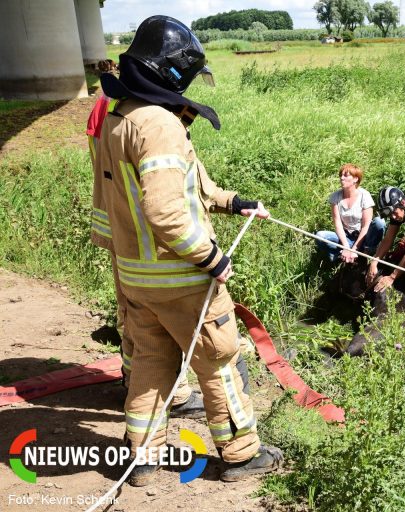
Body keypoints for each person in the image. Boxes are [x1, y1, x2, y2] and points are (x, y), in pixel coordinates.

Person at [95, 15, 282, 486]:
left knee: (152, 368)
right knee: (218, 365)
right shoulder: (160, 125)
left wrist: (231, 203)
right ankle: (241, 456)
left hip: (137, 280)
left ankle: (142, 459)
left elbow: (160, 195)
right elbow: (166, 211)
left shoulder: (119, 118)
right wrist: (211, 258)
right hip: (183, 280)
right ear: (172, 71)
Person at [87, 94, 206, 420]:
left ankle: (133, 380)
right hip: (142, 237)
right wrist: (209, 257)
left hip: (124, 230)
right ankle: (170, 394)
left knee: (133, 311)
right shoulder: (142, 115)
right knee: (152, 323)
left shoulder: (116, 109)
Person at [315, 164, 385, 264]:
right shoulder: (335, 197)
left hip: (363, 238)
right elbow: (338, 225)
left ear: (355, 179)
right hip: (346, 238)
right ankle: (338, 257)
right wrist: (346, 247)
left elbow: (366, 226)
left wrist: (355, 249)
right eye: (341, 175)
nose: (341, 178)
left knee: (380, 222)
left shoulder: (365, 195)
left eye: (346, 175)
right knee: (320, 236)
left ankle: (367, 252)